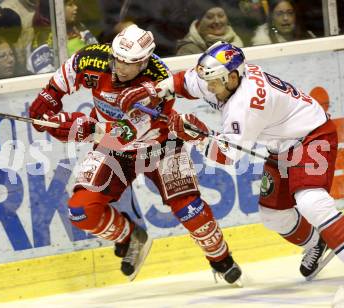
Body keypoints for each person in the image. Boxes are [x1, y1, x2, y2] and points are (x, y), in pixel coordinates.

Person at [117, 41, 344, 288]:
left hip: (311, 136)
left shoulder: (246, 104)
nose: (208, 88)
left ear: (232, 78)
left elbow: (228, 156)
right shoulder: (221, 78)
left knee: (310, 200)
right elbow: (183, 82)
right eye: (206, 81)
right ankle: (316, 243)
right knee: (273, 216)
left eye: (213, 84)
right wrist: (154, 91)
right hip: (281, 146)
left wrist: (197, 137)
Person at [28, 25, 242, 284]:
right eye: (118, 58)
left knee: (191, 211)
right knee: (81, 211)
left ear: (145, 61)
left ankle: (221, 259)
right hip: (113, 152)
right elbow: (54, 89)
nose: (121, 67)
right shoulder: (90, 58)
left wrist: (82, 128)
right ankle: (130, 238)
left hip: (161, 147)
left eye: (130, 63)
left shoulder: (159, 79)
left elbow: (126, 132)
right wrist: (45, 115)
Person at [27, 0, 98, 74]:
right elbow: (46, 74)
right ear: (55, 9)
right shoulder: (43, 38)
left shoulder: (79, 28)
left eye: (75, 4)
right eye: (70, 5)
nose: (76, 7)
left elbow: (98, 55)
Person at [176, 4, 244, 55]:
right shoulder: (187, 50)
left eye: (220, 15)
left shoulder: (236, 40)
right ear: (199, 22)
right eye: (210, 17)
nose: (217, 21)